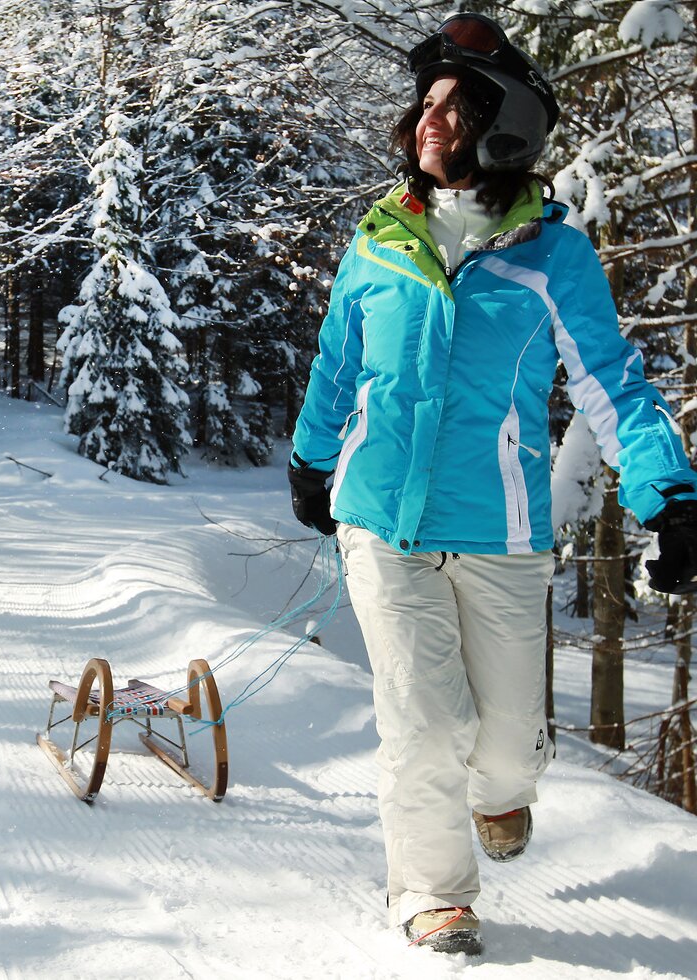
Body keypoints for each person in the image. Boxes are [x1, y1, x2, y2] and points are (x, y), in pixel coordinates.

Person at [287, 12, 697, 956]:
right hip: (383, 519)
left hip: (501, 526)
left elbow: (612, 384)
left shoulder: (553, 255)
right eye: (423, 104)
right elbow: (336, 368)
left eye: (453, 105)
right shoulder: (379, 242)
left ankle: (502, 789)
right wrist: (313, 460)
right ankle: (434, 894)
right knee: (426, 723)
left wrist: (667, 494)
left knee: (505, 742)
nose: (428, 120)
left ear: (503, 121)